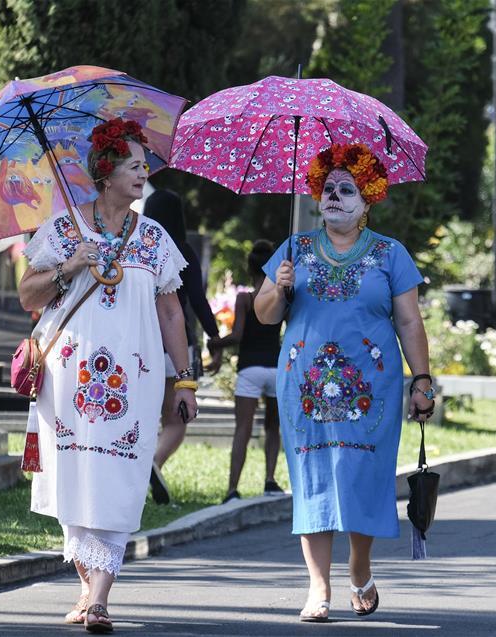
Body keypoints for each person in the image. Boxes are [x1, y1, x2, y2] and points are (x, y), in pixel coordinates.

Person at [18, 118, 198, 633]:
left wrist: (183, 379)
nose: (145, 172)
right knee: (73, 479)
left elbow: (171, 313)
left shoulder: (155, 238)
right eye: (134, 165)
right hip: (65, 379)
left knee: (120, 478)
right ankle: (87, 588)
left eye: (145, 165)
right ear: (105, 172)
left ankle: (98, 598)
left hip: (133, 382)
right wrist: (70, 264)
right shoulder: (62, 227)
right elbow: (29, 295)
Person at [254, 143, 435, 622]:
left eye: (347, 189)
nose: (334, 196)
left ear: (368, 199)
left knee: (360, 476)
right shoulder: (292, 250)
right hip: (306, 387)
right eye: (328, 188)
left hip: (371, 390)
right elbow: (264, 314)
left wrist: (422, 380)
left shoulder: (390, 254)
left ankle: (359, 565)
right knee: (313, 478)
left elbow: (411, 323)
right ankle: (318, 588)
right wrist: (279, 286)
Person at [144, 189, 222, 504]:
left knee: (145, 415)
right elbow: (199, 303)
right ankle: (155, 463)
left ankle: (145, 468)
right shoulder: (185, 252)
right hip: (178, 347)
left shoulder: (141, 249)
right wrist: (215, 339)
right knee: (176, 420)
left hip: (144, 343)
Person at [208, 240, 284, 504]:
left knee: (243, 429)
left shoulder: (246, 299)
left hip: (250, 369)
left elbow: (238, 335)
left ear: (249, 269)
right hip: (275, 368)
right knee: (273, 429)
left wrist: (214, 342)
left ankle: (232, 489)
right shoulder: (280, 296)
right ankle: (270, 481)